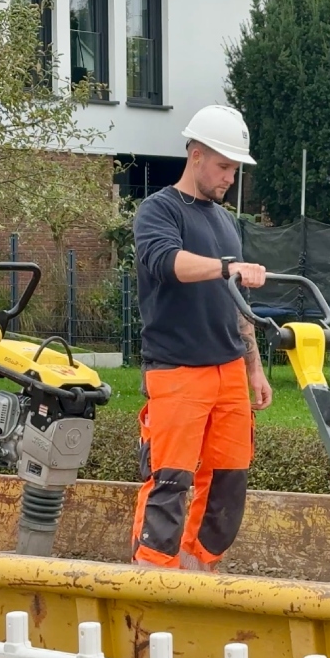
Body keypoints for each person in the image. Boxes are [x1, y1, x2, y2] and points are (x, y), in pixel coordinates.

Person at [130, 104, 273, 571]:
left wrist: (253, 366)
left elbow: (236, 301)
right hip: (177, 371)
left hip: (229, 370)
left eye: (235, 169)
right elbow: (166, 262)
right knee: (169, 482)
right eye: (224, 166)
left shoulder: (225, 222)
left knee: (228, 483)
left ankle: (199, 575)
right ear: (195, 154)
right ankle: (149, 587)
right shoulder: (158, 210)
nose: (230, 177)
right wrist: (226, 267)